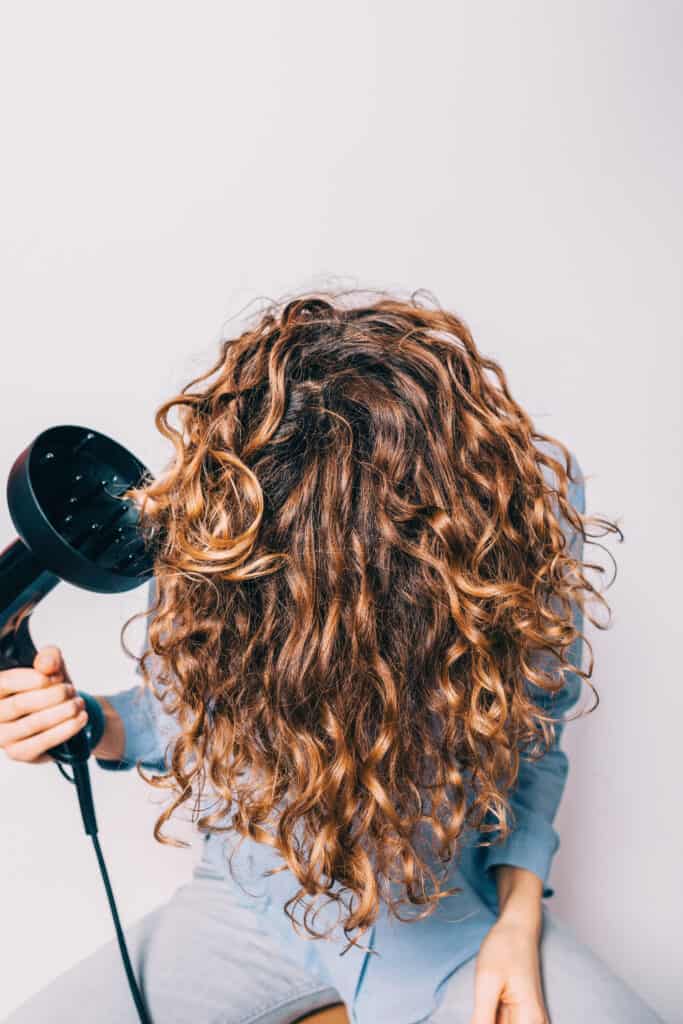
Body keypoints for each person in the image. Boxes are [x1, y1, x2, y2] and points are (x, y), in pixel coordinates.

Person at [0, 292, 663, 1024]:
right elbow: (178, 714)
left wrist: (516, 920)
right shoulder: (225, 515)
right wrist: (86, 723)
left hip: (441, 917)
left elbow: (536, 731)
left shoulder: (515, 521)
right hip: (246, 903)